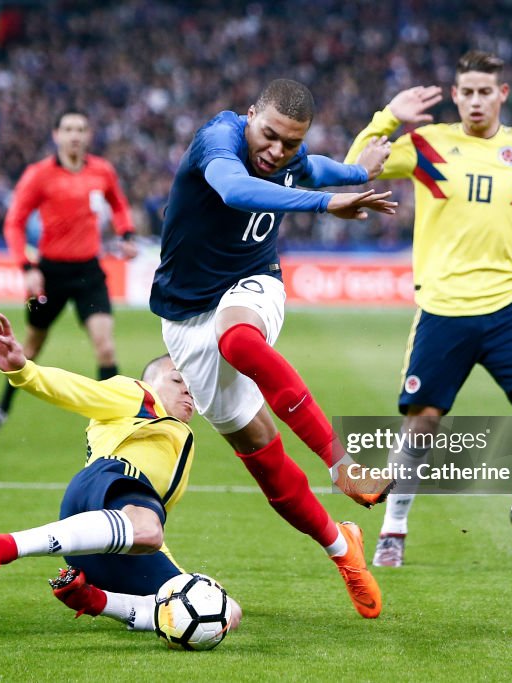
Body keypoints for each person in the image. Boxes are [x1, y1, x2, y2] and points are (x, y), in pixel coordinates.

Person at [344, 50, 512, 566]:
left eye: (483, 91)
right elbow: (358, 166)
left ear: (501, 94)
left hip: (506, 309)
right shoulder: (428, 143)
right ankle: (394, 528)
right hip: (442, 309)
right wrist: (389, 117)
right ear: (455, 92)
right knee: (421, 421)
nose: (473, 101)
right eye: (465, 91)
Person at [149, 79, 397, 619]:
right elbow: (236, 191)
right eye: (270, 136)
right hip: (185, 316)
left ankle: (343, 464)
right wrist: (330, 201)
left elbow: (315, 167)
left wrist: (359, 172)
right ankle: (343, 548)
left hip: (253, 281)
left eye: (290, 143)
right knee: (262, 456)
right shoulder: (217, 141)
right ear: (250, 115)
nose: (277, 151)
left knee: (238, 338)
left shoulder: (290, 154)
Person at [0, 313, 242, 634]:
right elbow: (78, 390)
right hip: (102, 486)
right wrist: (24, 370)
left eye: (193, 388)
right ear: (150, 381)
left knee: (224, 611)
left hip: (107, 544)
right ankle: (3, 546)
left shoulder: (173, 439)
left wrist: (178, 576)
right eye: (177, 380)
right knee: (149, 532)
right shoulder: (138, 395)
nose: (188, 391)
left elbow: (144, 528)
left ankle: (96, 601)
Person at [0, 111, 139, 445]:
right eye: (68, 129)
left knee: (105, 348)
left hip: (88, 272)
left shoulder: (102, 171)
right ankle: (1, 409)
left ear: (88, 134)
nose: (75, 135)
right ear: (56, 135)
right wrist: (27, 267)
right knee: (31, 348)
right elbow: (14, 222)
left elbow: (119, 204)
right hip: (48, 273)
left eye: (81, 129)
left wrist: (126, 233)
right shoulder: (39, 175)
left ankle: (115, 424)